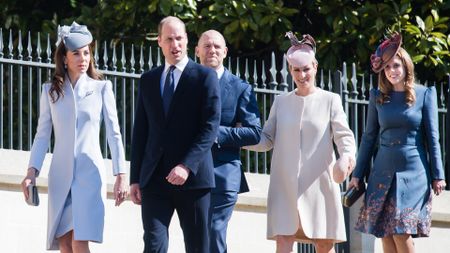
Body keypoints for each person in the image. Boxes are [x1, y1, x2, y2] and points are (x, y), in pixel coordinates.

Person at [20, 21, 128, 252]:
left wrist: (121, 174)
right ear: (64, 58)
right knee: (65, 244)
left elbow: (114, 133)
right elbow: (42, 135)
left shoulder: (102, 88)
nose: (83, 58)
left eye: (87, 53)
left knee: (80, 240)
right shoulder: (50, 91)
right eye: (76, 53)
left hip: (90, 176)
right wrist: (31, 173)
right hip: (60, 176)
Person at [244, 32, 356, 253]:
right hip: (284, 183)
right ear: (290, 71)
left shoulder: (330, 100)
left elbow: (345, 137)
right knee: (283, 239)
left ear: (315, 67)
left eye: (306, 69)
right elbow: (266, 140)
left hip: (320, 182)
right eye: (296, 70)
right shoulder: (281, 102)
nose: (302, 74)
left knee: (324, 243)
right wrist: (238, 138)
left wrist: (346, 159)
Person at [348, 33, 447, 253]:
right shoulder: (378, 96)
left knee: (402, 231)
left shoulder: (425, 94)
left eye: (396, 65)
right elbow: (369, 137)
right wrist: (358, 173)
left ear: (406, 66)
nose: (392, 71)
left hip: (415, 173)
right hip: (382, 172)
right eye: (387, 68)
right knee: (385, 232)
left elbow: (433, 137)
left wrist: (438, 174)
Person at [129, 17, 221, 253]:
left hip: (194, 179)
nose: (175, 44)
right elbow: (141, 131)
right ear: (159, 41)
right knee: (153, 244)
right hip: (154, 179)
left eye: (179, 38)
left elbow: (209, 127)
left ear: (187, 40)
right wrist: (135, 178)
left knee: (198, 247)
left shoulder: (204, 77)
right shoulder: (148, 80)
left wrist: (186, 165)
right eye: (169, 39)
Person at [195, 30, 262, 253]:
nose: (211, 50)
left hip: (222, 175)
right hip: (189, 175)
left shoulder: (240, 88)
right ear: (196, 51)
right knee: (196, 237)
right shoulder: (185, 84)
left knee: (213, 232)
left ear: (225, 52)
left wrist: (215, 133)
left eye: (216, 46)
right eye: (206, 46)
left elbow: (254, 133)